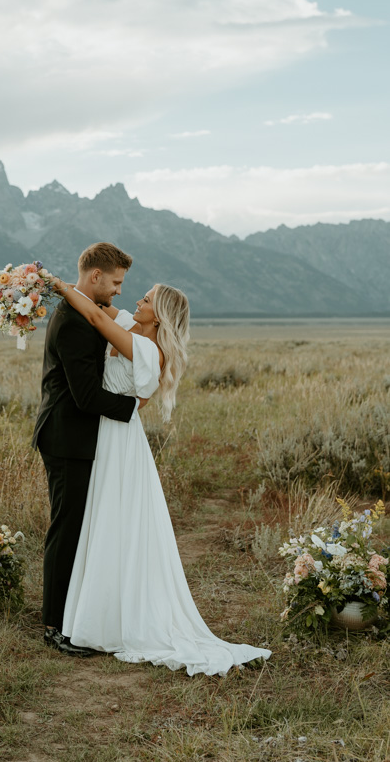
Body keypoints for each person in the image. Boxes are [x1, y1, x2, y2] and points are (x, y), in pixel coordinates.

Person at [52, 278, 272, 676]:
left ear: (161, 314)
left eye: (147, 299)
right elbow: (96, 307)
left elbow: (94, 318)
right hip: (106, 433)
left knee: (113, 522)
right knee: (104, 522)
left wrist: (54, 284)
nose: (137, 298)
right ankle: (96, 611)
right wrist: (62, 286)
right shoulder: (128, 324)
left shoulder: (146, 348)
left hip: (118, 439)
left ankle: (111, 620)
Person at [32, 242, 145, 657]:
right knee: (66, 529)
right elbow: (85, 397)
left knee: (77, 527)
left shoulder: (78, 312)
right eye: (115, 282)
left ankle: (70, 614)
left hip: (73, 436)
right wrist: (134, 407)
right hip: (67, 438)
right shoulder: (75, 324)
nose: (118, 290)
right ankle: (54, 626)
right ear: (95, 276)